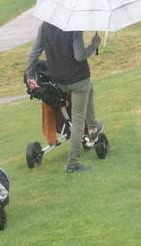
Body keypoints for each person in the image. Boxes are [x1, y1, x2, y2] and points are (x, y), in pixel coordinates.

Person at [25, 21, 101, 173]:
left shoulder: (44, 26)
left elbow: (33, 54)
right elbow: (79, 56)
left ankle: (92, 127)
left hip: (58, 81)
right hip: (78, 79)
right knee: (78, 119)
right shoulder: (75, 24)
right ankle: (73, 162)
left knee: (89, 90)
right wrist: (94, 45)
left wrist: (30, 75)